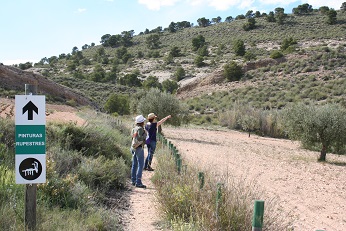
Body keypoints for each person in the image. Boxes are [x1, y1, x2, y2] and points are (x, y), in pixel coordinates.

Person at [130, 115, 147, 188]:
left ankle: (133, 180)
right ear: (142, 122)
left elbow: (132, 137)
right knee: (141, 165)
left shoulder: (134, 128)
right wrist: (145, 135)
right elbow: (140, 138)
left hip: (133, 147)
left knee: (134, 164)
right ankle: (138, 182)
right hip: (139, 148)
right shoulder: (140, 129)